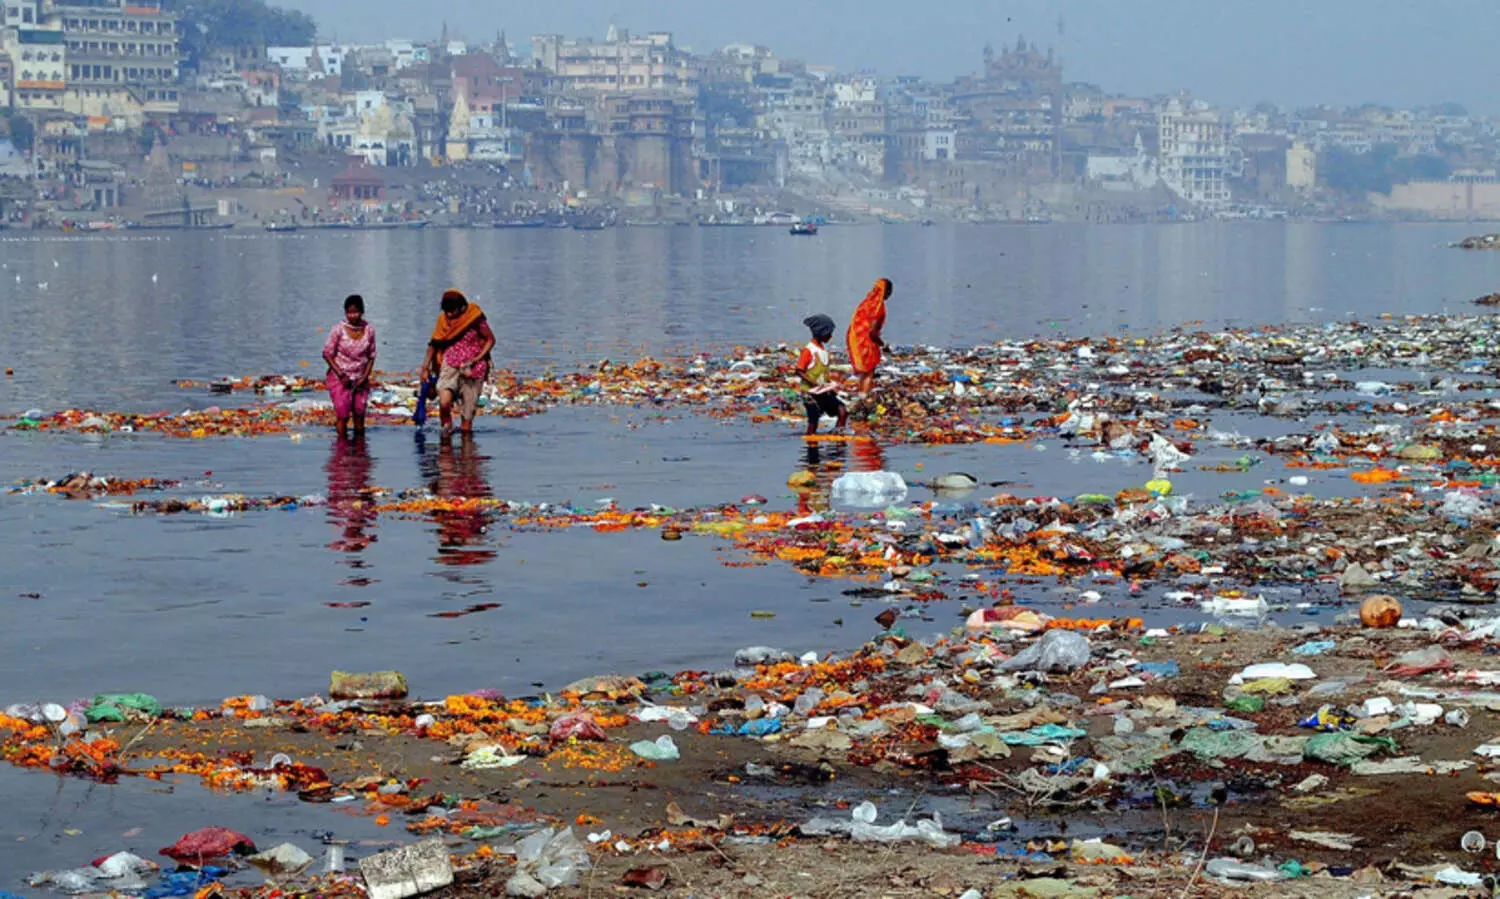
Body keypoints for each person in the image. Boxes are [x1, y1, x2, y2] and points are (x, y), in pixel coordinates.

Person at [420, 289, 495, 437]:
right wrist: (425, 368)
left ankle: (466, 453)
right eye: (446, 311)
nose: (448, 315)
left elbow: (490, 340)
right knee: (444, 402)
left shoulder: (474, 316)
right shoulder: (443, 320)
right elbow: (434, 344)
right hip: (450, 364)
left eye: (452, 311)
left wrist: (477, 358)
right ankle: (446, 435)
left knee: (467, 418)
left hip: (473, 368)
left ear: (461, 308)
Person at [322, 294, 376, 439]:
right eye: (349, 312)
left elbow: (371, 356)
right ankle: (341, 449)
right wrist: (341, 375)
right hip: (340, 376)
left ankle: (360, 451)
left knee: (359, 414)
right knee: (343, 414)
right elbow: (327, 354)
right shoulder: (338, 329)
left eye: (356, 312)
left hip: (360, 376)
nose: (353, 316)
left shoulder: (369, 330)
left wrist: (364, 377)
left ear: (362, 311)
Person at [796, 314, 847, 435]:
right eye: (828, 333)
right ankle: (811, 445)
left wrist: (829, 387)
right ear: (820, 332)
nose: (830, 336)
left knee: (842, 411)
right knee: (814, 420)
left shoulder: (822, 350)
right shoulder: (809, 350)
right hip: (810, 393)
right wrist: (814, 383)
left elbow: (823, 373)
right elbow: (799, 371)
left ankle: (837, 436)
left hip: (823, 391)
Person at [847, 278, 893, 395]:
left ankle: (860, 394)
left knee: (864, 371)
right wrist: (883, 345)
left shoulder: (866, 303)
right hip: (867, 341)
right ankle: (863, 397)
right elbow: (872, 332)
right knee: (869, 371)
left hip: (855, 338)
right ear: (886, 292)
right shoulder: (879, 308)